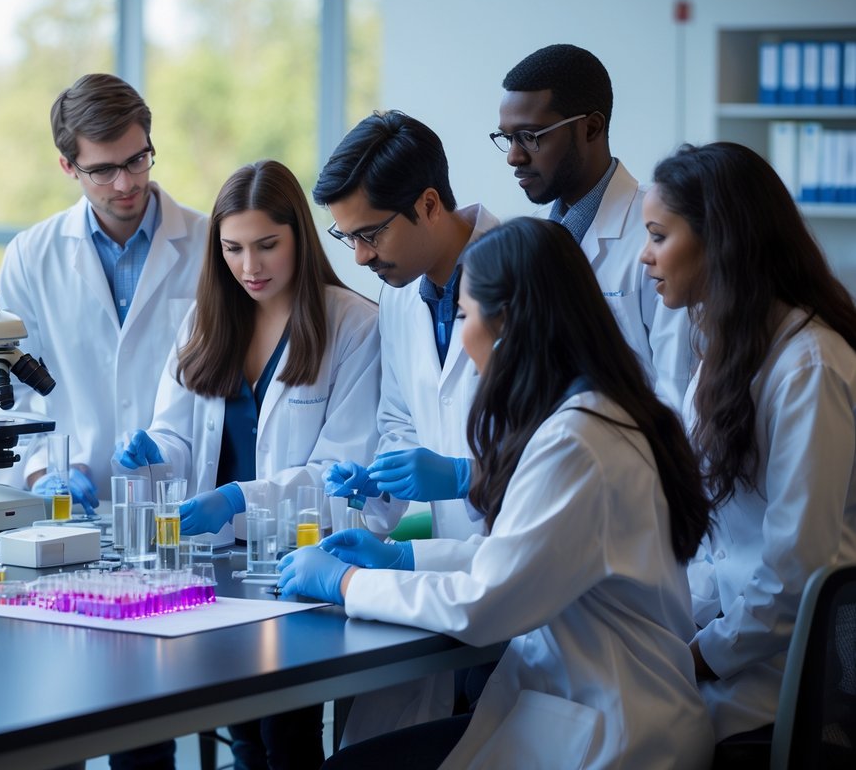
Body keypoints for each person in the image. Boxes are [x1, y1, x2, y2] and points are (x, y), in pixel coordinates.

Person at [279, 216, 716, 770]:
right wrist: (404, 556)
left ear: (508, 325)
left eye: (464, 314)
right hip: (591, 705)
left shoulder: (576, 440)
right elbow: (529, 556)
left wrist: (348, 583)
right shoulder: (598, 414)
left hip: (615, 729)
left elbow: (485, 606)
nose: (461, 335)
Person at [116, 159, 381, 770]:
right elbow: (177, 436)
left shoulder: (353, 324)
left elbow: (341, 470)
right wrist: (153, 455)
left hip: (296, 567)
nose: (250, 267)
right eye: (233, 249)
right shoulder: (205, 318)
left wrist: (240, 498)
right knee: (240, 737)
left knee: (285, 740)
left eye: (267, 245)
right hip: (216, 571)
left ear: (300, 238)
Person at [0, 73, 208, 770]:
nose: (126, 183)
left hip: (174, 514)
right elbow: (17, 390)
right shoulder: (31, 255)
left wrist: (173, 444)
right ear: (67, 166)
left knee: (144, 726)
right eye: (103, 169)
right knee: (57, 711)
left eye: (139, 159)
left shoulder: (208, 245)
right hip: (66, 515)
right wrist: (40, 467)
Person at [640, 141, 856, 755]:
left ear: (720, 240)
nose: (645, 257)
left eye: (659, 235)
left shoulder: (809, 365)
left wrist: (699, 656)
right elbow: (722, 543)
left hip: (783, 674)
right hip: (735, 637)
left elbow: (794, 571)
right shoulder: (723, 345)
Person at [309, 110, 498, 741]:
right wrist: (384, 481)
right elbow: (400, 418)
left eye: (371, 234)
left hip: (516, 576)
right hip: (447, 568)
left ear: (427, 204)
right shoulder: (399, 291)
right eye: (346, 239)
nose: (360, 256)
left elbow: (561, 441)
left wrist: (467, 476)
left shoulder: (529, 274)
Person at [494, 43, 694, 410]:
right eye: (507, 138)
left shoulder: (657, 236)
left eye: (531, 136)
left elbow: (676, 394)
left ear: (591, 128)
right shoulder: (536, 239)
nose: (514, 156)